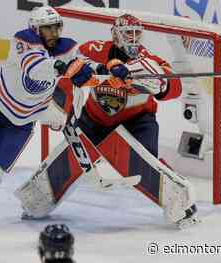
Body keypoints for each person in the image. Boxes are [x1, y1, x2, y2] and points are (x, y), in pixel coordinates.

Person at [0, 6, 95, 238]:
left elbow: (84, 63)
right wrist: (64, 68)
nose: (54, 33)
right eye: (48, 29)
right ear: (36, 29)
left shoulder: (66, 47)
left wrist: (105, 71)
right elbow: (35, 69)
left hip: (24, 120)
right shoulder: (23, 40)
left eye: (56, 27)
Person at [76, 14, 197, 225]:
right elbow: (77, 58)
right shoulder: (96, 50)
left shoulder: (149, 62)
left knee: (144, 164)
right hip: (95, 120)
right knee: (73, 156)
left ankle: (179, 199)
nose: (132, 39)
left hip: (137, 121)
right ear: (115, 35)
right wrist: (100, 69)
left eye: (136, 33)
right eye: (127, 34)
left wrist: (162, 85)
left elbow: (174, 86)